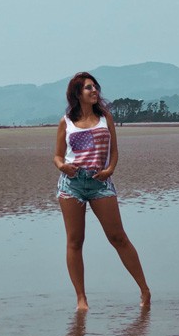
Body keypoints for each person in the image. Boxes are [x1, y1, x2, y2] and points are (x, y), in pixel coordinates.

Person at [54, 72, 150, 310]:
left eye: (95, 86)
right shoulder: (66, 121)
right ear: (78, 93)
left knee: (118, 237)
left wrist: (110, 169)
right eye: (89, 88)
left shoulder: (105, 117)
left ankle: (145, 290)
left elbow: (115, 151)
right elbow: (57, 155)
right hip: (72, 184)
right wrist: (62, 166)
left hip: (100, 182)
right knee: (75, 241)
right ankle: (81, 299)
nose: (94, 90)